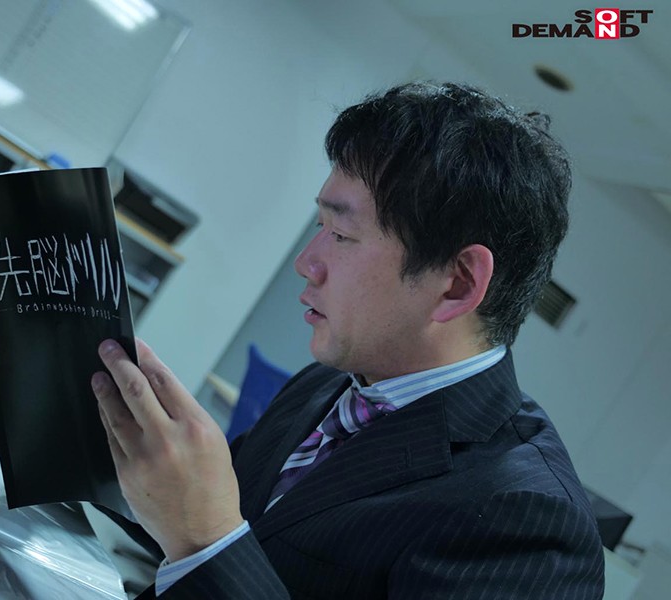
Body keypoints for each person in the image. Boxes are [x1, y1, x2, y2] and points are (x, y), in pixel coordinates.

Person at [91, 81, 605, 599]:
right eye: (321, 226)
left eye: (340, 235)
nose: (306, 263)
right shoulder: (327, 383)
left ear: (457, 283)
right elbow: (192, 522)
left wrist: (207, 537)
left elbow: (210, 536)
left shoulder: (530, 525)